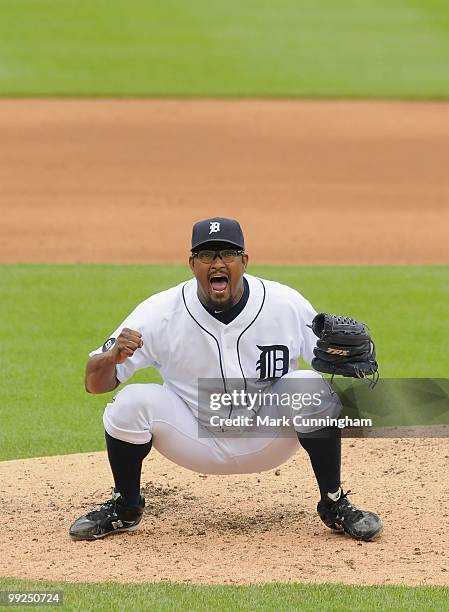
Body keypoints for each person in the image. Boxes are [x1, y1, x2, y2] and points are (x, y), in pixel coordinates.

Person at [69, 217, 383, 542]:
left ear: (244, 261)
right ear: (192, 264)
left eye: (227, 254)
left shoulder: (284, 304)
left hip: (268, 438)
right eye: (207, 255)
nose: (217, 263)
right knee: (130, 403)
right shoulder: (159, 313)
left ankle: (332, 503)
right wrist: (110, 358)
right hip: (192, 438)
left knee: (308, 385)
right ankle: (126, 506)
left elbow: (329, 355)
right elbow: (94, 383)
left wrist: (347, 367)